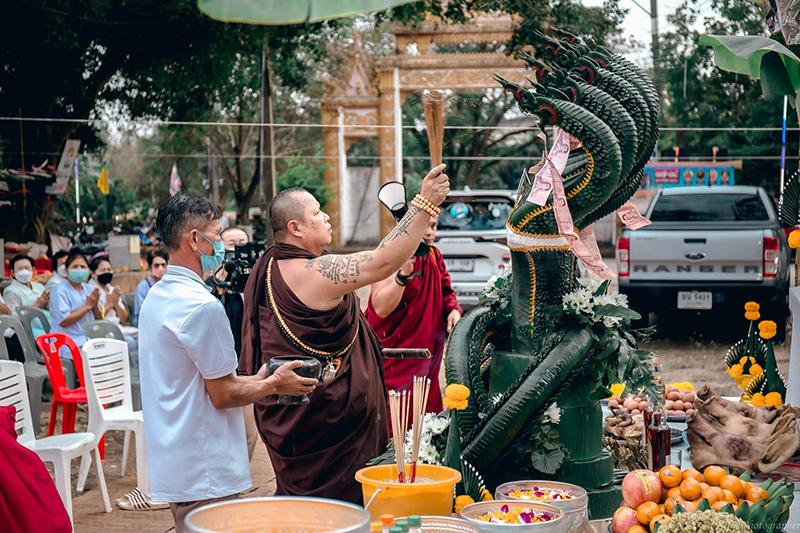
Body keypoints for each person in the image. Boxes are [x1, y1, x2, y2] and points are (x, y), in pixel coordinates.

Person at [239, 163, 450, 503]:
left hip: (298, 422)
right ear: (295, 228)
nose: (326, 218)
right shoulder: (313, 271)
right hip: (326, 426)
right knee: (339, 513)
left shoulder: (269, 267)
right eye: (317, 213)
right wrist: (423, 203)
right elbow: (382, 261)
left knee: (308, 512)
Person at [139, 195, 317, 532]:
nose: (221, 245)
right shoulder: (200, 306)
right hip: (204, 468)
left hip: (177, 459)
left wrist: (261, 376)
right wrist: (276, 385)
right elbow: (223, 394)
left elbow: (202, 381)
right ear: (195, 239)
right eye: (217, 235)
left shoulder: (158, 296)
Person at [365, 217, 462, 415]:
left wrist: (453, 309)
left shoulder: (434, 255)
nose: (429, 232)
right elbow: (380, 309)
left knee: (426, 419)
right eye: (423, 225)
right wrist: (403, 275)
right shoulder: (388, 255)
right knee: (393, 420)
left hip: (426, 357)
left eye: (433, 226)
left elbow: (445, 290)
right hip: (394, 358)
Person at [206, 225, 259, 461]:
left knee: (249, 434)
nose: (238, 252)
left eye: (243, 245)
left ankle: (240, 483)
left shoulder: (262, 283)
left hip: (252, 370)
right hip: (223, 370)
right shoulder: (209, 287)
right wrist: (220, 290)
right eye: (231, 246)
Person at [88, 255, 139, 365]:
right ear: (93, 274)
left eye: (108, 269)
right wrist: (110, 303)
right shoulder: (91, 290)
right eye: (103, 270)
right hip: (101, 330)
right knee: (129, 342)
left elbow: (123, 317)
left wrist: (115, 302)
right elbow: (96, 317)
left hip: (117, 327)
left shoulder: (111, 289)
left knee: (141, 336)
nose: (107, 272)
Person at [49, 252, 101, 356]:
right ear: (66, 271)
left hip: (87, 338)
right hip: (67, 340)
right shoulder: (60, 291)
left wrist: (94, 305)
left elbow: (98, 319)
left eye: (82, 266)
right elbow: (63, 320)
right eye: (75, 266)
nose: (79, 269)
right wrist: (87, 306)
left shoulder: (88, 288)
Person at [133, 249, 168, 327]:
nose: (160, 269)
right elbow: (142, 312)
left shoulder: (170, 284)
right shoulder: (143, 286)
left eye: (163, 265)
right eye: (156, 265)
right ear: (149, 267)